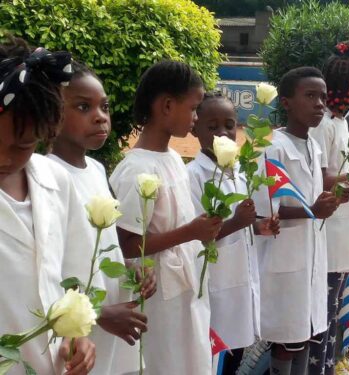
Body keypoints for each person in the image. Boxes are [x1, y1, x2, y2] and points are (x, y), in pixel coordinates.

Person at [110, 61, 223, 374]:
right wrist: (190, 232)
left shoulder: (173, 158)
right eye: (194, 108)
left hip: (185, 287)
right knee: (166, 363)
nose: (196, 117)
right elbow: (127, 244)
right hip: (158, 296)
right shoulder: (135, 170)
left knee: (191, 359)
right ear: (167, 105)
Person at [48, 61, 157, 374]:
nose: (100, 116)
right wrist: (100, 314)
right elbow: (45, 268)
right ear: (52, 112)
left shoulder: (96, 170)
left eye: (104, 106)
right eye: (84, 106)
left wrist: (132, 270)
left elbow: (107, 242)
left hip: (113, 321)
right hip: (75, 332)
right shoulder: (47, 177)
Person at [0, 36, 96, 374]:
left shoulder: (56, 179)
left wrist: (76, 333)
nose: (4, 157)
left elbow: (70, 277)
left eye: (23, 145)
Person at [252, 66, 338, 375]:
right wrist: (312, 210)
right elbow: (266, 211)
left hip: (308, 254)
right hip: (282, 256)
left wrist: (331, 200)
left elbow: (312, 201)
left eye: (323, 97)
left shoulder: (313, 146)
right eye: (310, 96)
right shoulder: (273, 147)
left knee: (302, 335)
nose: (319, 104)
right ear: (286, 103)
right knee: (285, 339)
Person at [188, 91, 279, 373]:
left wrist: (257, 226)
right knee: (217, 354)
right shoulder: (194, 175)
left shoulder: (239, 171)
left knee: (237, 351)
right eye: (212, 127)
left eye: (229, 125)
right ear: (194, 128)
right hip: (216, 285)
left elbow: (241, 222)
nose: (223, 133)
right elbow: (195, 236)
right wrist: (238, 223)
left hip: (241, 279)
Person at [308, 41, 349, 375]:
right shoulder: (321, 126)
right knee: (325, 304)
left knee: (336, 303)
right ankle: (323, 365)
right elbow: (317, 175)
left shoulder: (341, 122)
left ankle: (333, 361)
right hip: (328, 230)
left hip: (342, 226)